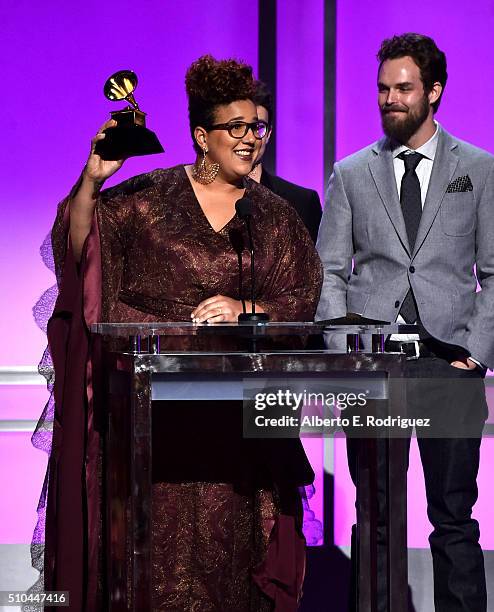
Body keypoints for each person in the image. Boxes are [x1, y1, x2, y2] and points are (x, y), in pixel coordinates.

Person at [39, 55, 322, 611]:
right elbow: (81, 264)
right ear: (201, 135)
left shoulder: (275, 216)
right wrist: (92, 181)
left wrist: (248, 308)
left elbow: (301, 304)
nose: (251, 140)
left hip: (239, 437)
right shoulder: (143, 201)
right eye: (236, 128)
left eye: (257, 128)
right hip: (155, 430)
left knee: (235, 576)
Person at [316, 33, 493, 611]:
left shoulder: (480, 169)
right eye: (383, 89)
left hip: (450, 365)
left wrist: (477, 354)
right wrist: (346, 352)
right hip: (374, 366)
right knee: (377, 517)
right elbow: (329, 273)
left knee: (453, 518)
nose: (389, 99)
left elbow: (493, 273)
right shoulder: (351, 172)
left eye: (403, 88)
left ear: (433, 92)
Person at [248, 80, 322, 243]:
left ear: (268, 134)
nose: (249, 138)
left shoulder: (302, 203)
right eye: (239, 126)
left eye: (258, 127)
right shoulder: (204, 201)